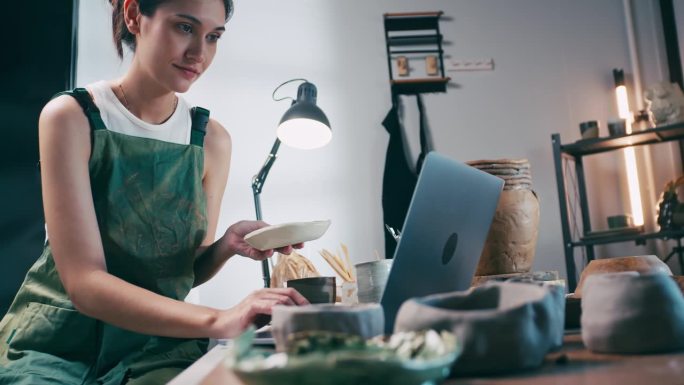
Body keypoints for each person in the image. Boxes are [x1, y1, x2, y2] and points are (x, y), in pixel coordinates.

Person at [0, 0, 309, 383]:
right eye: (184, 27)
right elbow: (85, 284)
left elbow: (182, 273)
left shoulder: (211, 140)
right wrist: (220, 318)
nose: (199, 53)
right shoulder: (70, 117)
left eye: (213, 36)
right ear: (133, 15)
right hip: (57, 342)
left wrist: (226, 245)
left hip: (154, 346)